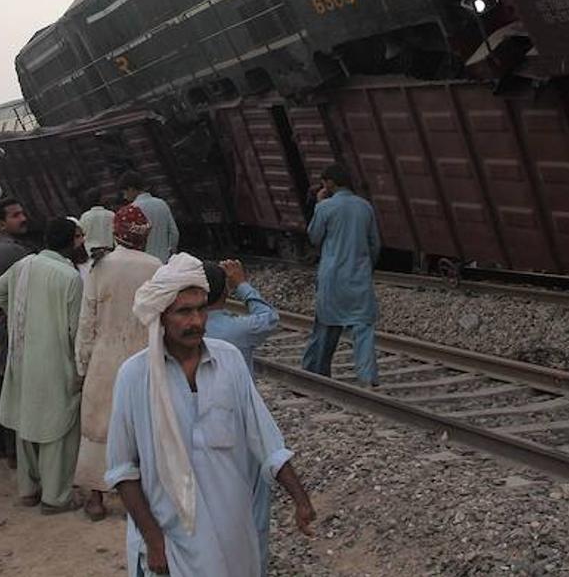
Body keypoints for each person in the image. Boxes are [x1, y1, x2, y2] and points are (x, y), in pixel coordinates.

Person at [106, 253, 316, 576]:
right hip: (172, 537)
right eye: (184, 312)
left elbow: (266, 439)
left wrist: (301, 500)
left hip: (231, 530)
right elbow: (122, 470)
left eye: (201, 309)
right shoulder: (135, 376)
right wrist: (154, 540)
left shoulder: (229, 361)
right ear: (161, 316)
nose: (196, 321)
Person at [0, 217, 85, 514]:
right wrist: (80, 368)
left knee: (27, 421)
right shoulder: (70, 277)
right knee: (59, 430)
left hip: (22, 357)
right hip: (55, 361)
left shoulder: (24, 265)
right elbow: (75, 331)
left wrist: (16, 317)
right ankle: (55, 497)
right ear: (70, 242)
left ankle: (28, 489)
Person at [73, 204, 160, 520]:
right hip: (144, 355)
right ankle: (137, 498)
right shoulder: (155, 266)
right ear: (145, 236)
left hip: (105, 355)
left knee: (99, 424)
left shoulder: (101, 267)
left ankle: (96, 497)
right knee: (140, 425)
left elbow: (87, 320)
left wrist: (82, 363)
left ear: (116, 233)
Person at [302, 163, 381, 387]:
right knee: (363, 328)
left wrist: (319, 203)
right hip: (359, 277)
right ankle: (368, 377)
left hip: (332, 277)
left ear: (330, 183)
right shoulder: (365, 207)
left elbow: (314, 237)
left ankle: (315, 372)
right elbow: (375, 244)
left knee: (325, 325)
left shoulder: (325, 207)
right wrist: (365, 267)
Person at [0, 197, 31, 463]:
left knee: (4, 379)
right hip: (11, 325)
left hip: (8, 323)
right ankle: (9, 447)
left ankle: (0, 444)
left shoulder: (9, 247)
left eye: (22, 213)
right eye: (15, 215)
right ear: (1, 223)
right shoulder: (11, 251)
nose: (23, 218)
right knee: (8, 381)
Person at [204, 259, 279, 376]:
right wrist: (241, 284)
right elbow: (270, 317)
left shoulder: (176, 325)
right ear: (225, 292)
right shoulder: (239, 329)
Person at [119, 171, 179, 264]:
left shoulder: (130, 210)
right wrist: (171, 252)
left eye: (124, 192)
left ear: (131, 189)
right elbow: (174, 233)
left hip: (143, 264)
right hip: (164, 261)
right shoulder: (162, 203)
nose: (124, 197)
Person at [78, 190, 115, 256]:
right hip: (109, 251)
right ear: (101, 199)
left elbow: (81, 233)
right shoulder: (111, 215)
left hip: (90, 252)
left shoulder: (85, 216)